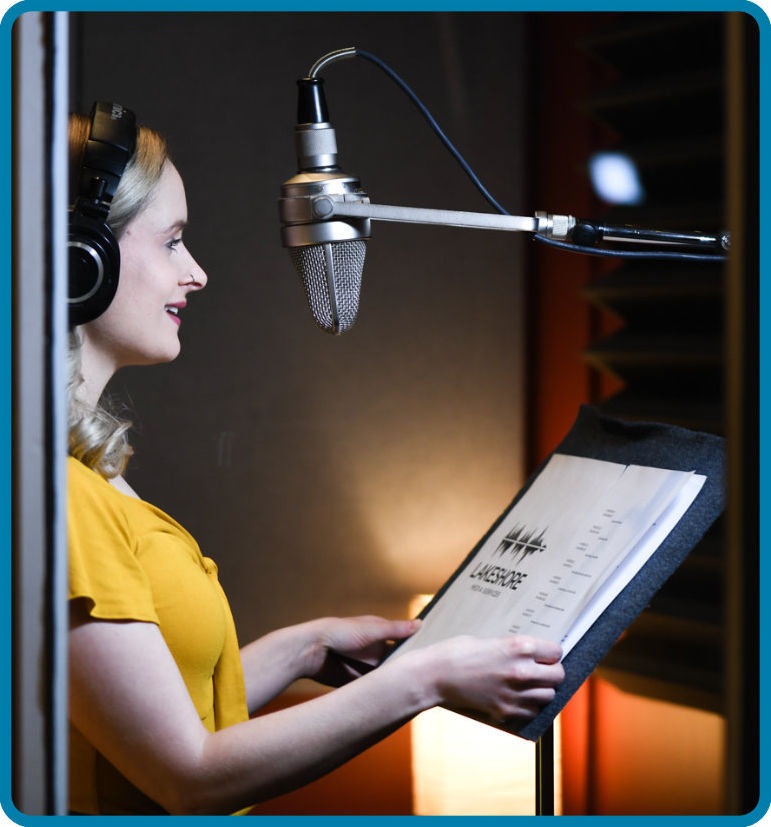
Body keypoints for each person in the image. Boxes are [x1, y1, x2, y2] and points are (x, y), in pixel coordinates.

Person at [66, 103, 566, 816]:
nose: (198, 273)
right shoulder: (51, 491)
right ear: (79, 257)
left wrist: (305, 648)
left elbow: (157, 704)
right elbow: (189, 773)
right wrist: (424, 680)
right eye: (173, 241)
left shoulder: (83, 469)